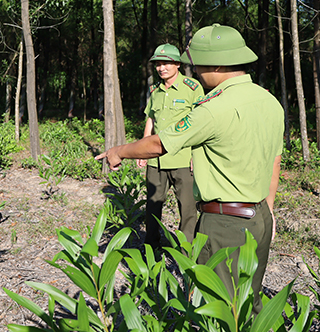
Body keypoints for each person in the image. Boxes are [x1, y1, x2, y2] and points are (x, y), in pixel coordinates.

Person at [97, 24, 283, 313]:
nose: (194, 70)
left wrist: (118, 151)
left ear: (218, 63)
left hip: (225, 224)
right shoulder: (269, 101)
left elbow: (160, 144)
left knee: (224, 310)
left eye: (197, 64)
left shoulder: (213, 108)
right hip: (259, 217)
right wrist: (268, 210)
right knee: (251, 303)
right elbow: (274, 160)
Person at [138, 44, 203, 249]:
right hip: (156, 159)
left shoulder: (193, 88)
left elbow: (201, 122)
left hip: (183, 158)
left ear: (177, 64)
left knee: (188, 209)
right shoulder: (155, 91)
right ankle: (152, 249)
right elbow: (151, 119)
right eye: (157, 64)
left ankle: (186, 252)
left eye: (166, 63)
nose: (161, 68)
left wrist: (197, 155)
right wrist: (142, 149)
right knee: (152, 207)